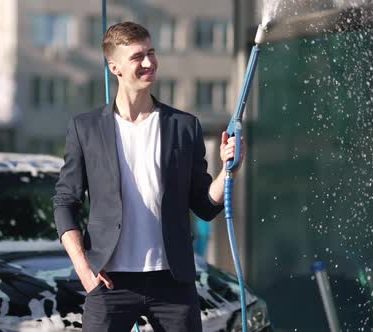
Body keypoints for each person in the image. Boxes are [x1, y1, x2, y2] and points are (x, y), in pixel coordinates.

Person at [53, 21, 243, 332]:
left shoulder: (184, 126)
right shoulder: (85, 129)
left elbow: (205, 206)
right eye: (137, 56)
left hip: (173, 281)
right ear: (114, 66)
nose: (148, 63)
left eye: (151, 53)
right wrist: (84, 268)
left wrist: (228, 172)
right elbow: (64, 201)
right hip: (109, 281)